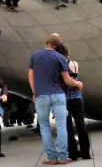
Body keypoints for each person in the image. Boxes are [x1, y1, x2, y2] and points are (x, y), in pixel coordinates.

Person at [28, 34, 82, 165]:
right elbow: (67, 80)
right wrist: (77, 84)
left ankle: (51, 157)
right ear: (58, 46)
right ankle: (63, 156)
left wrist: (34, 91)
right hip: (58, 95)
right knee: (61, 125)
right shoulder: (60, 57)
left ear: (47, 42)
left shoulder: (35, 56)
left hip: (41, 96)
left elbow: (30, 75)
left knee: (44, 126)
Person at [54, 43, 91, 162]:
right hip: (76, 98)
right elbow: (75, 79)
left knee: (67, 127)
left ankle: (73, 153)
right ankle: (85, 152)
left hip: (63, 100)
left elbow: (62, 81)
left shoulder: (57, 66)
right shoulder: (74, 64)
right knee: (81, 125)